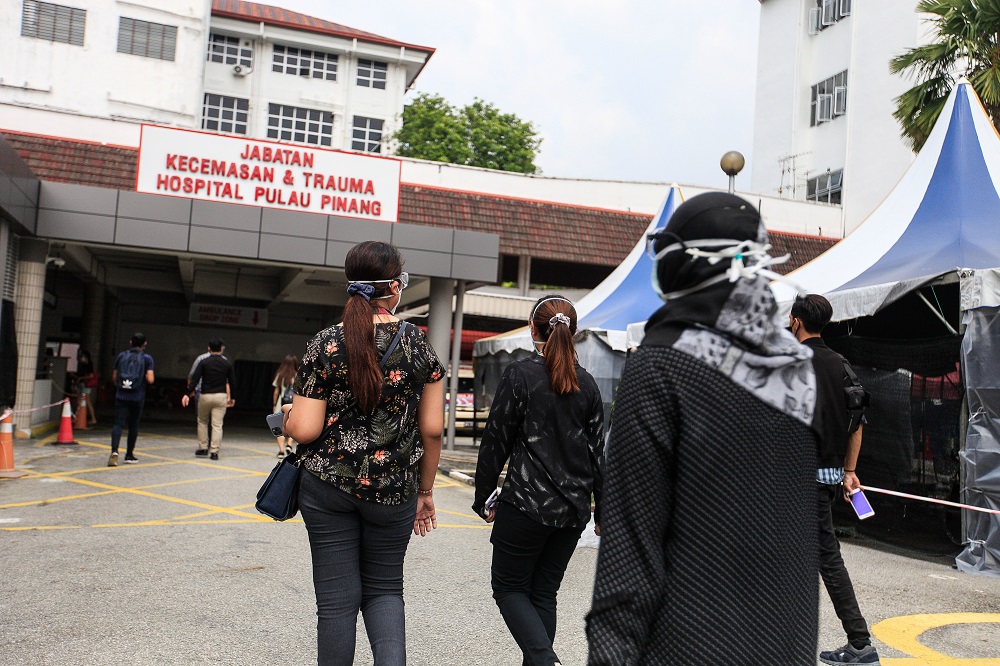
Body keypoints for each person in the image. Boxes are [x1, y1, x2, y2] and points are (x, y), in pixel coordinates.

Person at [586, 192, 820, 664]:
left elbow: (631, 544)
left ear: (693, 261)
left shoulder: (662, 364)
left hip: (688, 642)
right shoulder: (798, 369)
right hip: (787, 643)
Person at [281, 240, 444, 666]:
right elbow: (432, 430)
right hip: (394, 492)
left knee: (336, 602)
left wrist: (285, 418)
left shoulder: (326, 343)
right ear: (393, 287)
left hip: (328, 487)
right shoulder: (418, 347)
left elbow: (305, 428)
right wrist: (424, 491)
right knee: (385, 589)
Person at [473, 295, 604, 666]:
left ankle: (548, 661)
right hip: (572, 512)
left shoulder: (521, 375)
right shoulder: (589, 385)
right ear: (573, 332)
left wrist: (483, 497)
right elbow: (598, 454)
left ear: (533, 329)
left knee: (509, 588)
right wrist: (602, 511)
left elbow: (495, 442)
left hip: (525, 507)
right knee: (544, 594)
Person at [791, 294, 881, 665]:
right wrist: (849, 471)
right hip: (826, 478)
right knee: (823, 557)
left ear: (795, 321)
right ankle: (857, 643)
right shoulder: (841, 365)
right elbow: (856, 424)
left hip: (790, 479)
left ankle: (860, 643)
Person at [181, 338, 235, 461]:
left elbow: (194, 379)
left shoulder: (204, 361)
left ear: (209, 348)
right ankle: (214, 451)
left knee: (202, 421)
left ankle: (203, 448)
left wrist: (187, 393)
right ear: (221, 349)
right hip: (220, 396)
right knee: (217, 425)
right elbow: (232, 382)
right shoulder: (226, 363)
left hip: (205, 395)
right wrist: (233, 397)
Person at [108, 333, 155, 467]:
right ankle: (129, 454)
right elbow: (150, 379)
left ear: (130, 342)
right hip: (137, 396)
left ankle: (114, 451)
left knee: (118, 424)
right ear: (144, 344)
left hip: (121, 396)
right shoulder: (147, 359)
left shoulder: (121, 356)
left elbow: (114, 378)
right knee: (133, 425)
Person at [271, 354, 299, 458]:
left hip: (281, 402)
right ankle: (289, 444)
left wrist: (274, 404)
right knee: (292, 424)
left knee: (278, 426)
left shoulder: (280, 374)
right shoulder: (298, 375)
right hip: (294, 403)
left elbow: (276, 392)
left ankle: (281, 451)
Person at [76, 349, 98, 428]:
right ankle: (79, 417)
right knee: (81, 401)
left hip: (85, 385)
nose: (81, 358)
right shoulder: (84, 364)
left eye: (82, 356)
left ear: (86, 357)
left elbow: (91, 375)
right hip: (83, 384)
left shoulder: (89, 365)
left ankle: (92, 418)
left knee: (86, 401)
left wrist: (81, 378)